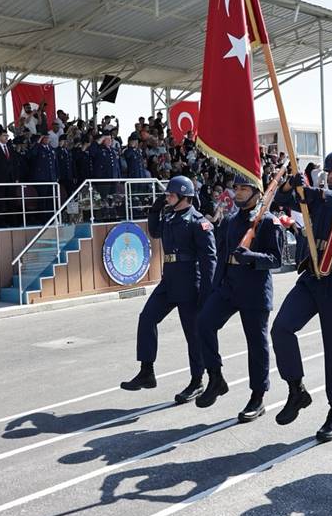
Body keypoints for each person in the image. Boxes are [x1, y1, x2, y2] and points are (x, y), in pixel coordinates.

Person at [269, 150, 332, 442]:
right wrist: (292, 186)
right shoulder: (319, 196)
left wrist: (317, 193)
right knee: (282, 328)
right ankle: (296, 389)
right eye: (330, 171)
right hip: (313, 275)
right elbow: (282, 201)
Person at [120, 175, 217, 404]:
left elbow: (209, 259)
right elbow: (155, 232)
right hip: (170, 278)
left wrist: (207, 292)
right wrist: (154, 210)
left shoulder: (198, 222)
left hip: (190, 280)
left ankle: (197, 381)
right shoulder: (171, 216)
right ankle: (147, 371)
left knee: (192, 334)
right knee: (146, 318)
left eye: (171, 194)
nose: (167, 197)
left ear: (184, 197)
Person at [194, 173, 283, 421]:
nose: (238, 192)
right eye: (236, 188)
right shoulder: (232, 221)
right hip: (229, 287)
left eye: (244, 188)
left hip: (254, 290)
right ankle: (215, 377)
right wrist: (214, 287)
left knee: (257, 345)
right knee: (204, 323)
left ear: (256, 193)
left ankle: (258, 396)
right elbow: (221, 255)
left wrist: (252, 257)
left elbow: (276, 259)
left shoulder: (268, 222)